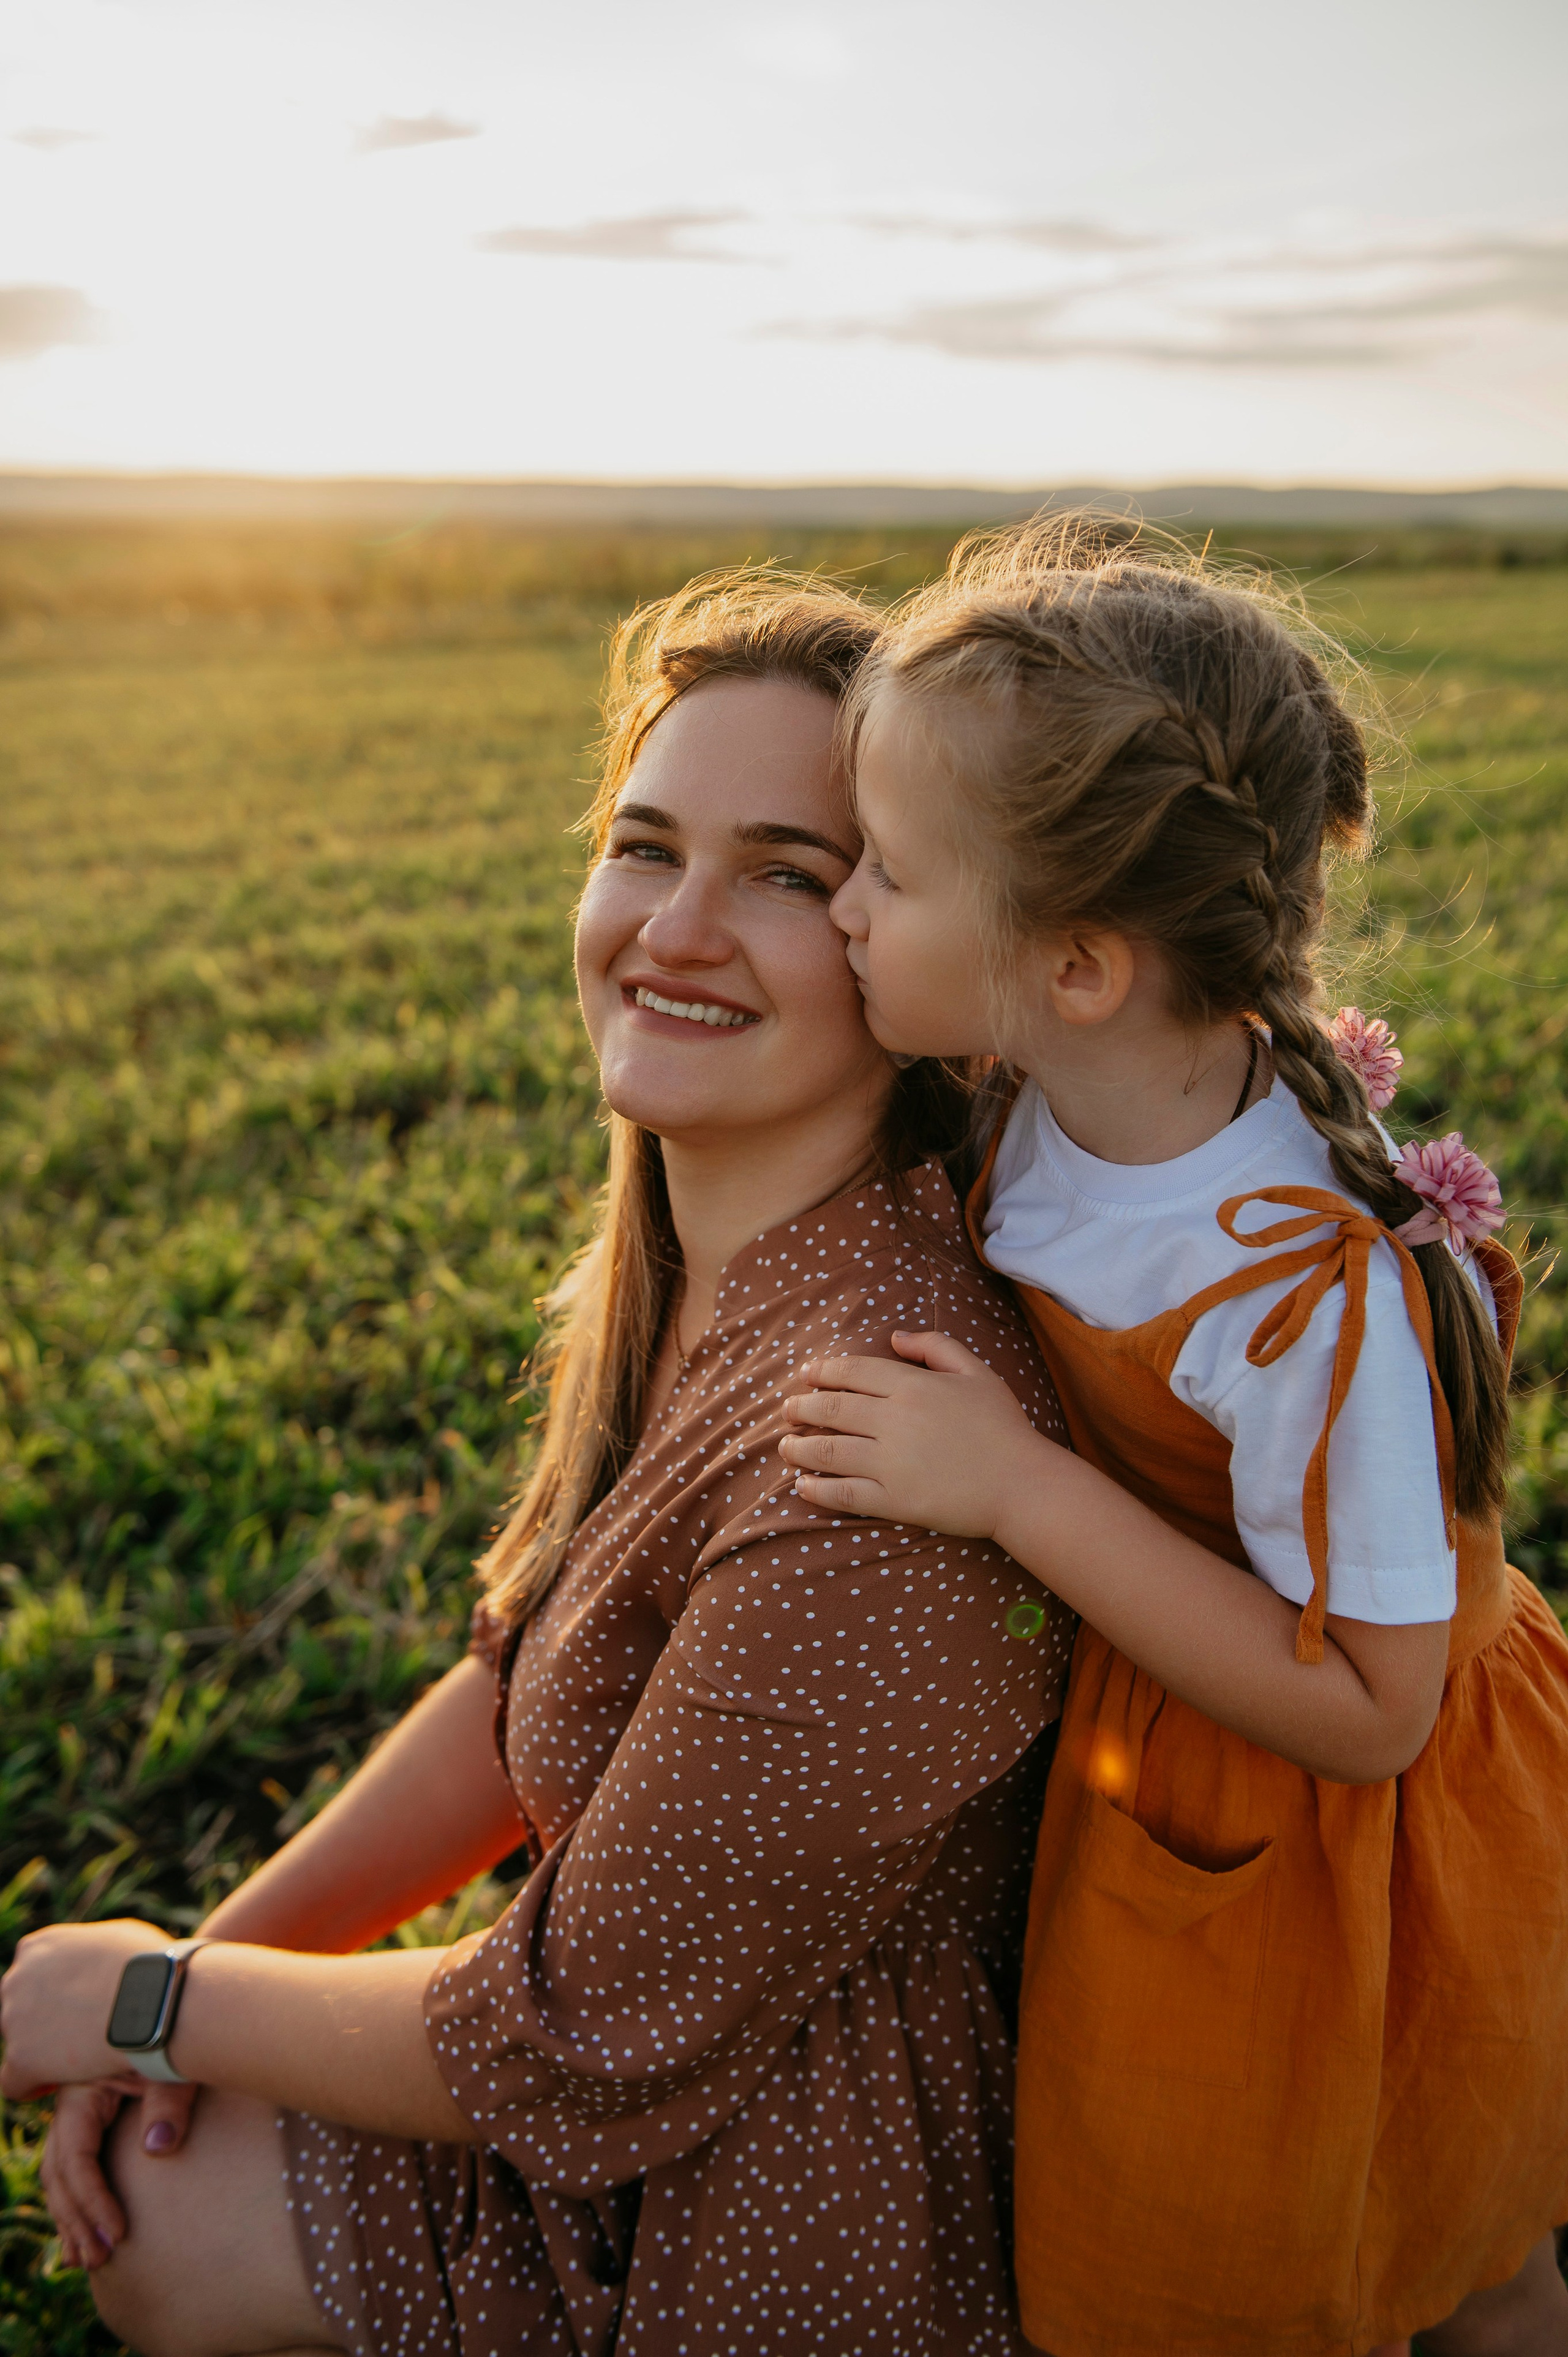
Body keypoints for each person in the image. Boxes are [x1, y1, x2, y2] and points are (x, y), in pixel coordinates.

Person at [1, 568, 1074, 2357]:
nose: (677, 928)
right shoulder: (707, 1273)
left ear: (920, 941)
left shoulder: (881, 1426)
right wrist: (205, 1971)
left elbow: (573, 2035)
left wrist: (149, 2001)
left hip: (803, 2208)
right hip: (658, 2068)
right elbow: (524, 1681)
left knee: (175, 2216)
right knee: (197, 2139)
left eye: (788, 876)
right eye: (645, 847)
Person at [778, 517, 1568, 2357]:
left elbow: (1375, 1712)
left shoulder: (1293, 1287)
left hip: (1346, 1830)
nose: (844, 910)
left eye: (887, 871)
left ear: (1078, 967)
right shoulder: (1046, 1091)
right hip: (1188, 1752)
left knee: (1424, 2249)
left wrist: (1014, 1489)